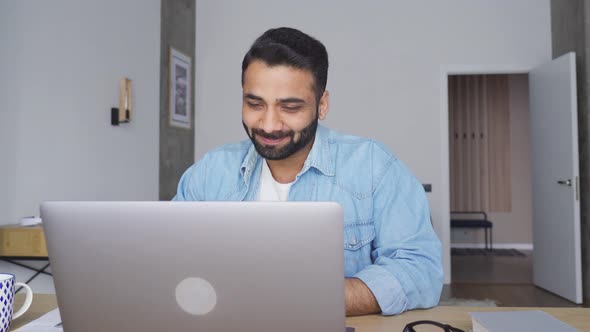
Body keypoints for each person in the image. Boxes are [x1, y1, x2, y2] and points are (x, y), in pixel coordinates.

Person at [173, 27, 443, 316]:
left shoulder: (374, 166)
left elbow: (420, 269)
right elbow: (171, 261)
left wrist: (308, 298)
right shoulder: (208, 173)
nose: (269, 124)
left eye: (290, 107)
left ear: (322, 104)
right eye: (255, 104)